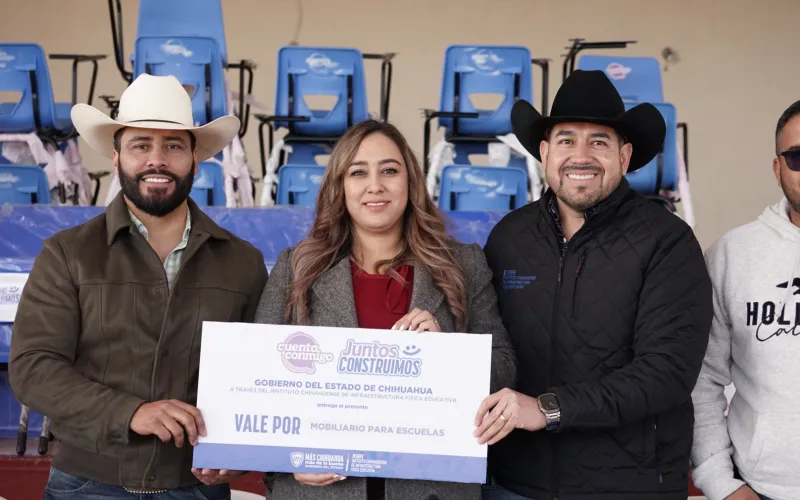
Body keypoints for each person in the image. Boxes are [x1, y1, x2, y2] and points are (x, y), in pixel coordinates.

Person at [9, 74, 268, 499]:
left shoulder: (243, 262)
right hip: (87, 485)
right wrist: (131, 413)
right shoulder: (67, 254)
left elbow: (259, 376)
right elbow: (33, 367)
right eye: (140, 145)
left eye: (173, 146)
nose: (157, 160)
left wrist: (238, 450)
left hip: (196, 485)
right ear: (116, 158)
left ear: (195, 160)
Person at [475, 69, 714, 500]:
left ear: (624, 156)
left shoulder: (667, 241)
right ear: (545, 152)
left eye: (599, 142)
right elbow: (485, 343)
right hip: (516, 483)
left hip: (629, 486)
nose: (580, 156)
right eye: (566, 141)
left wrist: (548, 409)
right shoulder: (508, 237)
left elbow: (666, 372)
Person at [255, 119, 518, 500]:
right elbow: (258, 382)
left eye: (390, 171)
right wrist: (287, 459)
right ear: (340, 186)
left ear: (410, 181)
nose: (375, 185)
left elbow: (505, 368)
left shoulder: (464, 264)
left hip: (432, 489)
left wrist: (447, 352)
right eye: (358, 172)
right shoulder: (296, 267)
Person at [690, 101, 800, 500]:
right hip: (763, 488)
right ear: (777, 168)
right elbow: (702, 380)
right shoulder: (732, 254)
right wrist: (720, 482)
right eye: (798, 157)